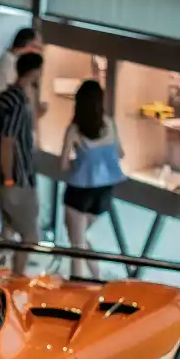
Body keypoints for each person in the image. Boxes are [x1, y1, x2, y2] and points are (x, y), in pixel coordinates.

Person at [59, 78, 123, 277]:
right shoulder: (110, 124)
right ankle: (96, 276)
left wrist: (79, 162)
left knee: (76, 247)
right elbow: (120, 153)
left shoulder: (75, 130)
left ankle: (78, 283)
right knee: (79, 239)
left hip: (78, 192)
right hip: (103, 193)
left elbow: (63, 164)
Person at [0, 33, 43, 274]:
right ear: (34, 73)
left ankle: (1, 275)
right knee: (30, 236)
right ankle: (17, 277)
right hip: (19, 177)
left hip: (8, 176)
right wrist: (10, 177)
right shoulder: (18, 102)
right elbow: (8, 141)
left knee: (7, 231)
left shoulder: (5, 98)